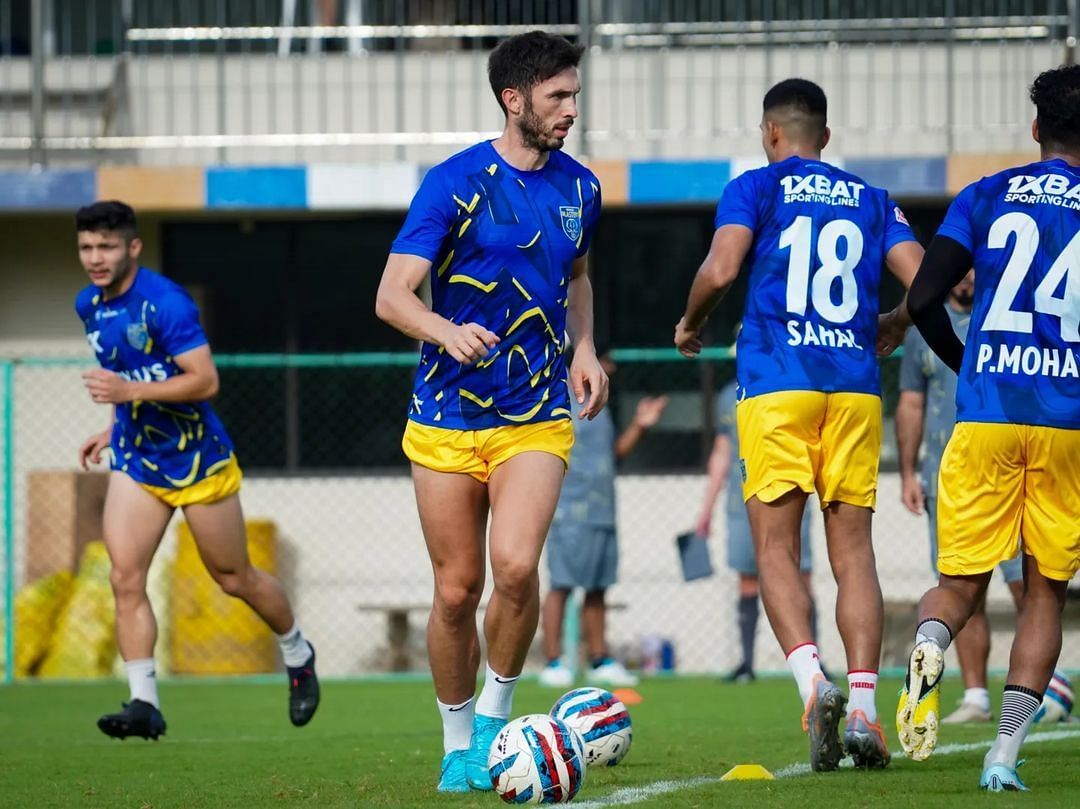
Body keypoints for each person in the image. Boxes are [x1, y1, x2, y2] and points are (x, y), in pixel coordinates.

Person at [374, 31, 607, 794]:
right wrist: (446, 330)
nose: (572, 110)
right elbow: (392, 295)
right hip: (444, 416)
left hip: (535, 412)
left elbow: (576, 275)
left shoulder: (581, 188)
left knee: (515, 567)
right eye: (558, 98)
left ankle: (494, 721)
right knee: (455, 591)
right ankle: (453, 742)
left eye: (574, 95)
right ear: (515, 100)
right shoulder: (453, 182)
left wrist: (584, 348)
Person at [674, 78, 924, 771]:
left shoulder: (756, 187)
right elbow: (931, 278)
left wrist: (691, 323)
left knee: (776, 549)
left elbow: (722, 266)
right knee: (853, 555)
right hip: (853, 389)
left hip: (777, 385)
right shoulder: (874, 201)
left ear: (770, 133)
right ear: (827, 137)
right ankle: (870, 708)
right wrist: (897, 322)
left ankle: (815, 684)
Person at [897, 64, 1080, 792]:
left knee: (959, 581)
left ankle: (931, 647)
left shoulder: (985, 194)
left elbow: (919, 299)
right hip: (1066, 422)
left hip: (985, 416)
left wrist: (967, 359)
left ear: (1036, 130)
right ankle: (1003, 753)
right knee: (1044, 591)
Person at [74, 201, 319, 740]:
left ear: (133, 248)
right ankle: (145, 703)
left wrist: (129, 392)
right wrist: (114, 426)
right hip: (138, 459)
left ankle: (297, 651)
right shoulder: (89, 304)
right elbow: (123, 373)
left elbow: (204, 380)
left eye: (107, 246)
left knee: (235, 578)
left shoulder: (164, 303)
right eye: (87, 247)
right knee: (124, 576)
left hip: (197, 461)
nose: (96, 257)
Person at [896, 271, 1024, 724]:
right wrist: (909, 471)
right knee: (987, 590)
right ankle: (980, 698)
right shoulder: (926, 329)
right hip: (956, 473)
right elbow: (911, 401)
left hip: (1003, 469)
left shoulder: (1004, 312)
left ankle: (931, 643)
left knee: (997, 585)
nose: (967, 276)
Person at [539, 352, 668, 689]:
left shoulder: (600, 404)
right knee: (561, 585)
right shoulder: (555, 398)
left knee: (598, 587)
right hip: (567, 510)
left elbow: (612, 455)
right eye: (604, 361)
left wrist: (640, 425)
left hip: (602, 511)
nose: (609, 369)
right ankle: (553, 661)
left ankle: (598, 659)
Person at [695, 377, 817, 684]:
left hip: (794, 493)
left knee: (801, 577)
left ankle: (814, 663)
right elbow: (722, 451)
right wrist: (705, 510)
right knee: (748, 582)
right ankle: (747, 665)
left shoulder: (796, 380)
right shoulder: (727, 394)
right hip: (743, 501)